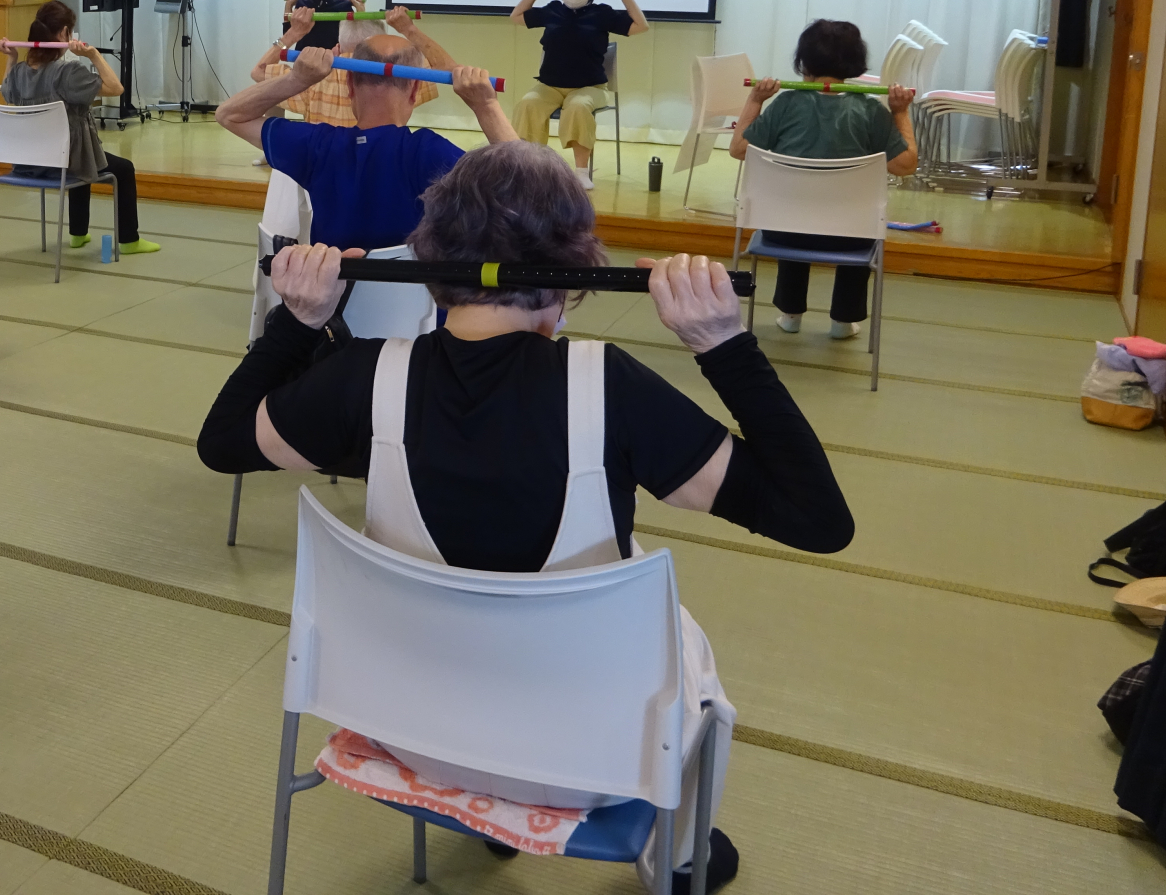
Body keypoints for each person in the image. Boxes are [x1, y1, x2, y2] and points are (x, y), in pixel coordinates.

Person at [198, 141, 855, 892]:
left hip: (408, 732)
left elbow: (222, 443)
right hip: (593, 764)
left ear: (430, 258)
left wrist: (299, 322)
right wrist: (723, 344)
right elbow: (817, 519)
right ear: (572, 270)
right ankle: (676, 858)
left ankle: (490, 812)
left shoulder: (363, 377)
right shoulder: (611, 389)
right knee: (678, 640)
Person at [217, 9, 515, 251]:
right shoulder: (428, 152)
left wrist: (297, 79)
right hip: (412, 304)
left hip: (331, 300)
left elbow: (229, 115)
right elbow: (528, 188)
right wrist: (486, 106)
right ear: (414, 90)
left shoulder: (316, 145)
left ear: (350, 86)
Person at [731, 19, 917, 340]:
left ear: (804, 62)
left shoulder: (786, 103)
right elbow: (906, 165)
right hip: (850, 234)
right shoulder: (870, 111)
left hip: (783, 232)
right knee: (860, 221)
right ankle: (843, 321)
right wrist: (900, 112)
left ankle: (790, 314)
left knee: (796, 208)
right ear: (855, 62)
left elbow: (738, 149)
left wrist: (755, 100)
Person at [0, 0, 161, 255]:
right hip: (64, 163)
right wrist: (93, 54)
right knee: (120, 168)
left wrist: (12, 58)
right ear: (64, 33)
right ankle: (129, 240)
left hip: (30, 163)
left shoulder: (17, 72)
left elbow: (6, 93)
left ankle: (78, 234)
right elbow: (116, 88)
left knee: (81, 154)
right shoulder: (68, 72)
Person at [508, 0, 649, 190]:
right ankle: (529, 168)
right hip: (550, 86)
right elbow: (516, 16)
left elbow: (641, 26)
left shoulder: (602, 13)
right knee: (527, 105)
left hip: (590, 87)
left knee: (578, 107)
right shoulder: (553, 10)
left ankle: (581, 173)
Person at [247, 5, 439, 131]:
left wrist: (294, 32)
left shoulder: (314, 77)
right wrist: (409, 30)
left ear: (339, 45)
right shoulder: (398, 74)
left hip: (324, 170)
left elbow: (259, 71)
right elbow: (444, 67)